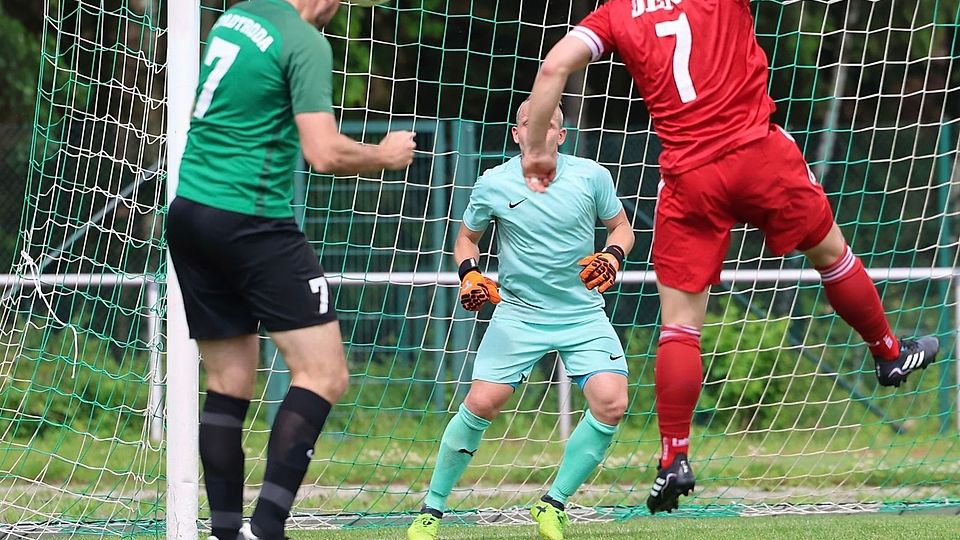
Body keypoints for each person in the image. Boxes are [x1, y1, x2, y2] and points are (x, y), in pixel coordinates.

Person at [520, 0, 939, 516]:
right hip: (758, 154)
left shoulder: (615, 14)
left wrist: (537, 151)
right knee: (831, 255)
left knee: (679, 326)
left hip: (690, 179)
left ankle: (674, 457)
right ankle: (888, 351)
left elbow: (553, 67)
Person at [165, 0, 416, 538]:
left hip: (189, 214)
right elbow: (322, 153)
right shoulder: (303, 42)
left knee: (228, 382)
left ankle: (226, 532)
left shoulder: (237, 16)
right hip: (250, 221)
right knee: (324, 373)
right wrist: (385, 155)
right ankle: (267, 528)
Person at [406, 100, 635, 540]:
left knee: (612, 402)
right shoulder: (494, 182)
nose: (537, 132)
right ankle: (431, 512)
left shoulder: (591, 176)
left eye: (548, 125)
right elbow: (466, 239)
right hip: (520, 314)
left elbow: (623, 227)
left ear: (561, 136)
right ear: (516, 134)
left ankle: (553, 504)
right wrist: (469, 273)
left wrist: (613, 253)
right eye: (529, 124)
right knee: (481, 404)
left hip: (581, 312)